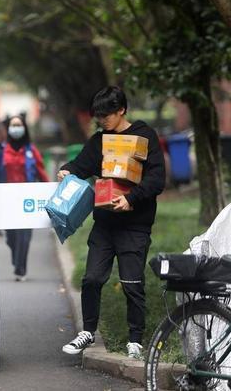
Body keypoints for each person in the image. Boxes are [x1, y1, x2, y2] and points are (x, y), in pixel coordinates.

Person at [59, 86, 165, 359]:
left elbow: (156, 179)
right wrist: (68, 170)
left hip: (134, 224)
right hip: (105, 223)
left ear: (121, 110)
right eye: (99, 116)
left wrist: (132, 198)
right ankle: (87, 332)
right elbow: (82, 165)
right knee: (92, 278)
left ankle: (135, 339)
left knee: (132, 283)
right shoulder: (100, 141)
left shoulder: (144, 136)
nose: (102, 120)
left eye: (107, 115)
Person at [2, 115, 49, 281]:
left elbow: (42, 172)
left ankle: (21, 269)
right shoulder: (2, 149)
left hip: (27, 199)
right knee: (11, 237)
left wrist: (49, 191)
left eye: (18, 125)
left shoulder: (31, 150)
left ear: (24, 128)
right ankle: (17, 260)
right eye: (13, 125)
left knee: (24, 235)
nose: (16, 128)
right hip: (7, 199)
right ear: (8, 128)